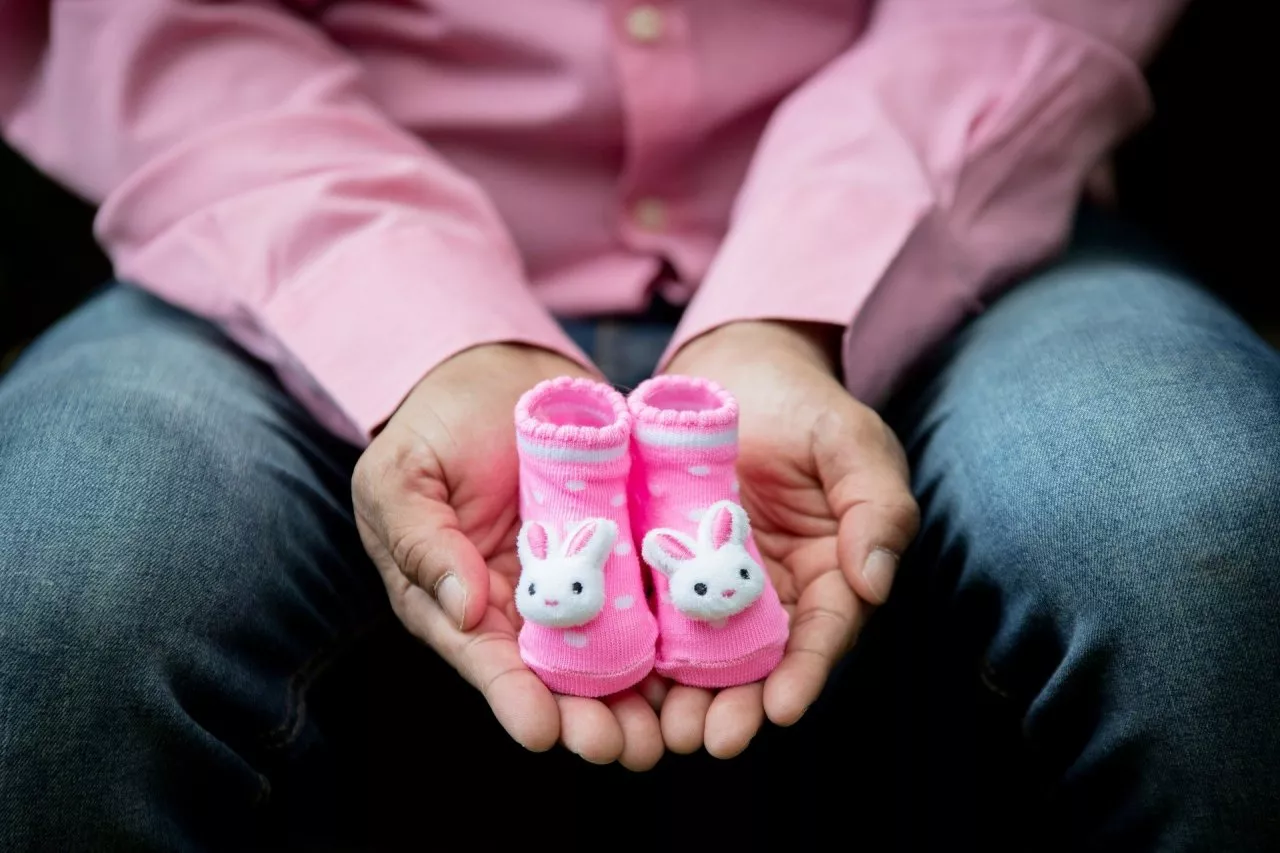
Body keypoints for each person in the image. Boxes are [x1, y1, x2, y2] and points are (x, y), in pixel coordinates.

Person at [1, 0, 1277, 850]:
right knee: (53, 567)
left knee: (1206, 511)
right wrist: (431, 329)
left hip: (935, 227)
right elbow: (156, 29)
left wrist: (788, 301)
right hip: (299, 237)